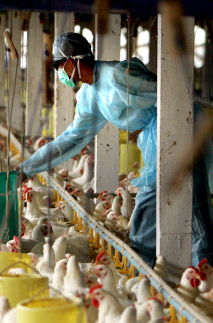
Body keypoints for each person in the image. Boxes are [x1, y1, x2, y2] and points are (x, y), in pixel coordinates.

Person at [19, 32, 213, 266]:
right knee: (150, 203)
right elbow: (71, 139)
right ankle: (145, 270)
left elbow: (173, 96)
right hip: (157, 141)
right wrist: (28, 168)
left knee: (193, 201)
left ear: (72, 61)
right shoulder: (89, 95)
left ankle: (204, 270)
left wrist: (174, 134)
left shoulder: (119, 75)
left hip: (181, 129)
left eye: (60, 66)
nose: (60, 73)